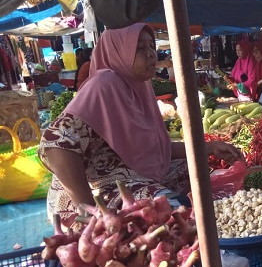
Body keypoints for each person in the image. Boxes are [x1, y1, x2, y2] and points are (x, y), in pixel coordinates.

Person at [38, 23, 243, 227]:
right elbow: (55, 144)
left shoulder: (139, 87)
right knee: (167, 209)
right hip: (93, 192)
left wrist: (209, 148)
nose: (151, 54)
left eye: (151, 46)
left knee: (194, 174)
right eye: (140, 48)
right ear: (120, 53)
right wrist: (91, 212)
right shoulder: (104, 83)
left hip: (126, 175)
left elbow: (157, 150)